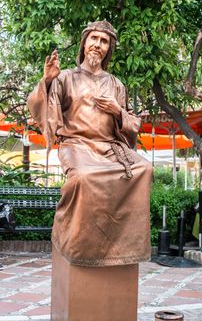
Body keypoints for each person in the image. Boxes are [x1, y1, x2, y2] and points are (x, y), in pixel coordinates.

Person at [27, 20, 152, 267]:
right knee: (82, 178)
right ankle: (75, 241)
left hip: (109, 147)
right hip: (76, 145)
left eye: (104, 41)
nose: (98, 45)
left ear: (108, 49)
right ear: (84, 43)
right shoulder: (65, 78)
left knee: (144, 170)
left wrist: (117, 111)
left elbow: (131, 124)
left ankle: (122, 248)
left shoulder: (116, 84)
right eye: (94, 39)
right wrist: (48, 81)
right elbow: (39, 109)